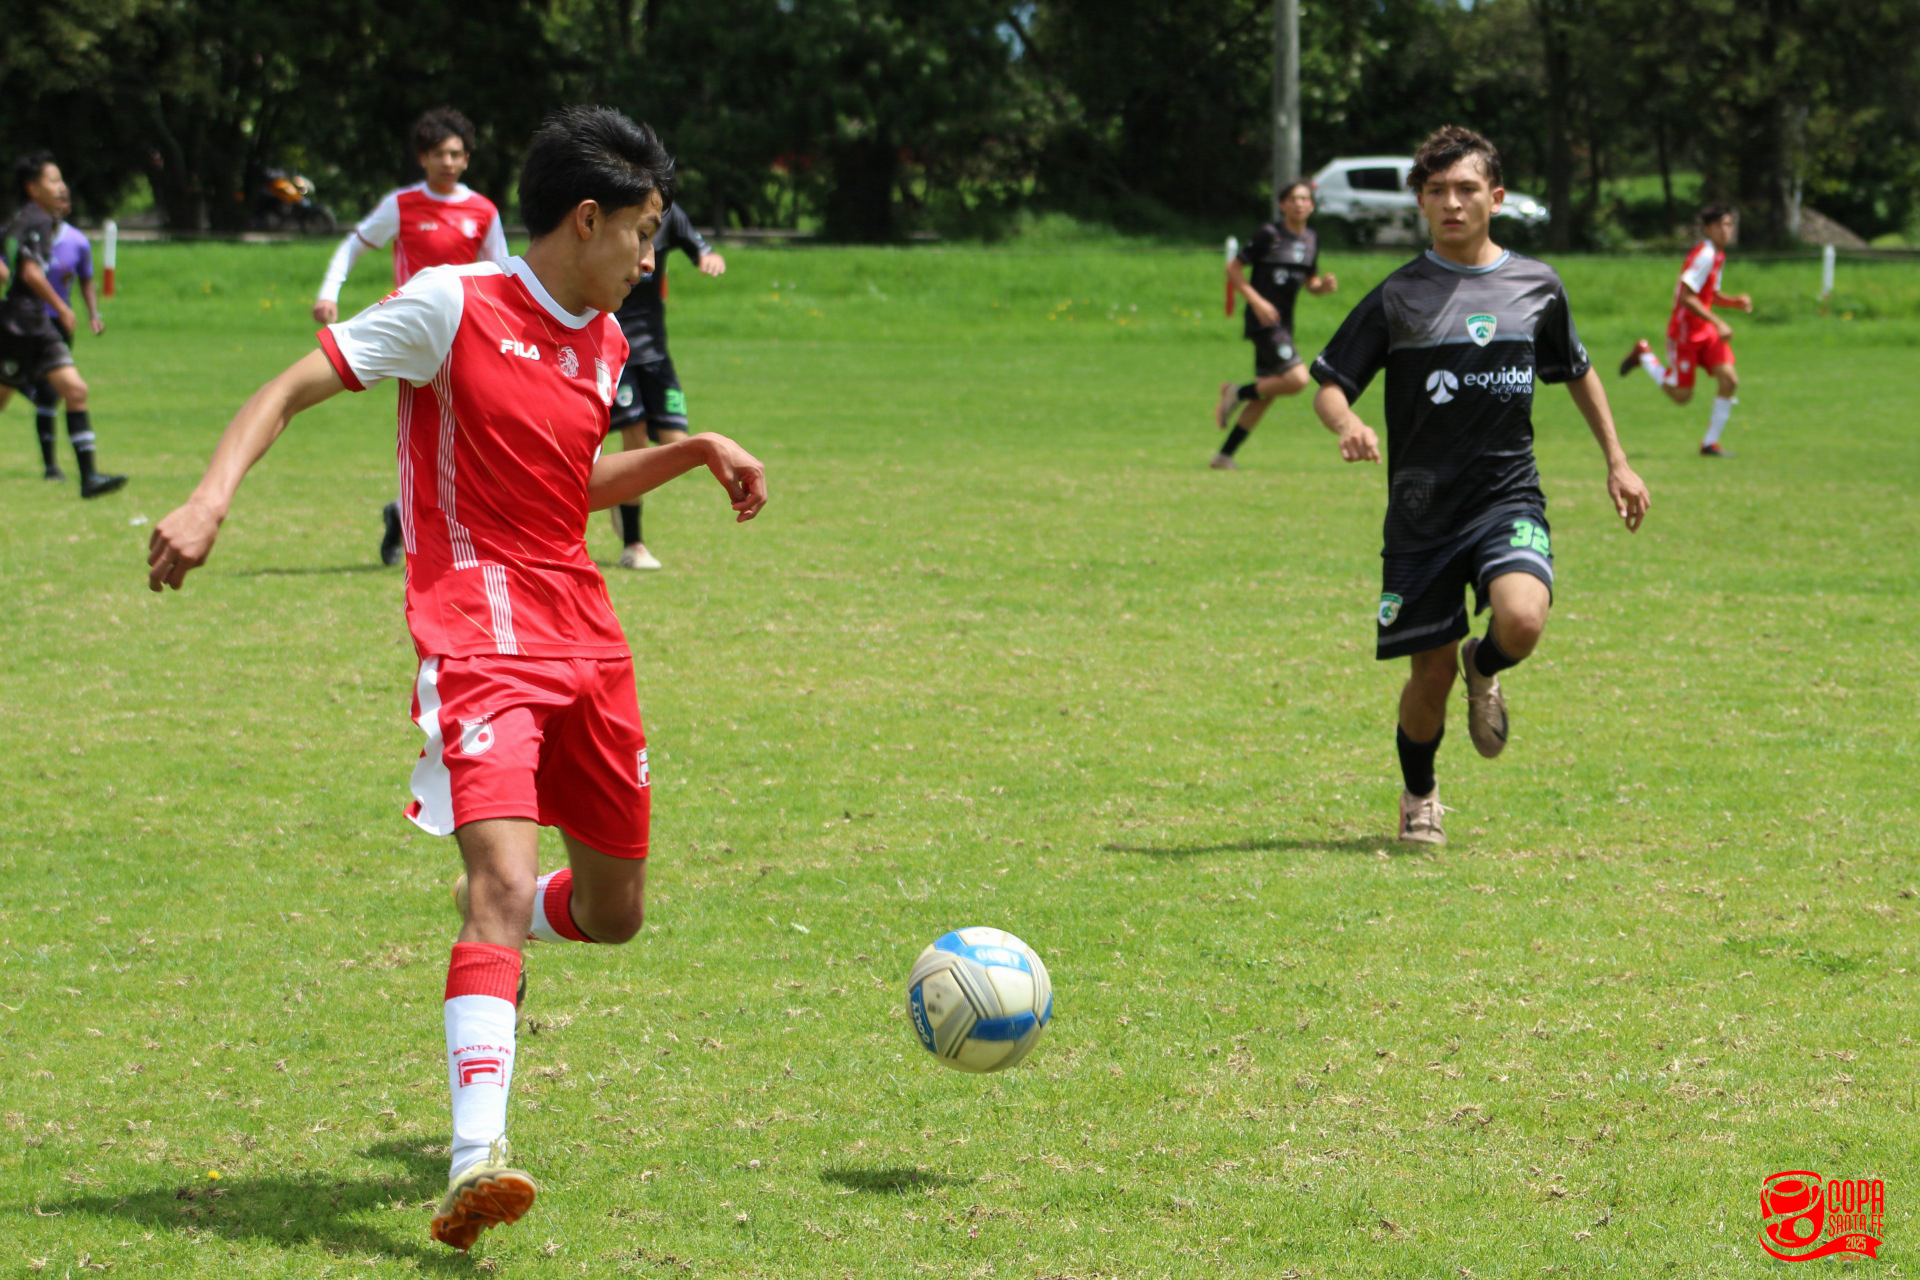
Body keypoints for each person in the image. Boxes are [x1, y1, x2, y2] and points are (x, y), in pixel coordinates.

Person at [147, 106, 769, 1252]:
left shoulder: (605, 340)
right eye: (644, 235)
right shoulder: (452, 304)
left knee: (615, 913)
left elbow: (565, 481)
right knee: (497, 876)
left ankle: (505, 917)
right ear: (587, 218)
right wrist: (208, 499)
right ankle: (476, 1152)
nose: (650, 259)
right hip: (475, 632)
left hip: (586, 634)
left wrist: (688, 450)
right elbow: (288, 387)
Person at [1308, 124, 1650, 846]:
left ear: (1496, 198)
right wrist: (1348, 423)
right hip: (1421, 512)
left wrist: (1617, 460)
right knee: (1428, 679)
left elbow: (1577, 370)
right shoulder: (1399, 295)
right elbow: (1330, 384)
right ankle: (1420, 795)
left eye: (1466, 189)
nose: (1451, 203)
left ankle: (1484, 663)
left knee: (1521, 619)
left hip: (1507, 496)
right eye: (1436, 191)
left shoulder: (1538, 285)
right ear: (1420, 203)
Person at [311, 107, 510, 563]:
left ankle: (405, 515)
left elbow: (499, 272)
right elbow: (352, 246)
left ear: (467, 158)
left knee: (468, 430)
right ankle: (429, 527)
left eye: (456, 154)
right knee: (430, 431)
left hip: (468, 333)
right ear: (423, 158)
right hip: (414, 334)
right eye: (439, 154)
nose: (449, 162)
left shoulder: (483, 210)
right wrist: (328, 292)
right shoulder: (401, 205)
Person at [605, 200, 725, 569]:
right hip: (616, 343)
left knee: (676, 445)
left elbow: (699, 247)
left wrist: (708, 257)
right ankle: (633, 544)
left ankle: (613, 490)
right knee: (636, 437)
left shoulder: (670, 216)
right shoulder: (612, 209)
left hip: (655, 350)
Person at [2, 151, 125, 496]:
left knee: (72, 391)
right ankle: (87, 476)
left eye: (61, 180)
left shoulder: (18, 220)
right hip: (26, 321)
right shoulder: (38, 221)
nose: (61, 187)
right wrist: (62, 307)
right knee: (68, 391)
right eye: (53, 181)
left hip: (21, 320)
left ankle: (89, 478)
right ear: (32, 188)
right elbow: (29, 272)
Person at [1213, 180, 1337, 469]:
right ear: (1282, 205)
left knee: (1266, 394)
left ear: (1312, 205)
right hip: (1264, 322)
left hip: (1284, 323)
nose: (1299, 204)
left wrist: (1322, 287)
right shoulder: (1269, 235)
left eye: (1304, 199)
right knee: (1297, 380)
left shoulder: (1312, 239)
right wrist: (1257, 302)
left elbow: (1310, 280)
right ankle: (1236, 392)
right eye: (1293, 199)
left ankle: (1224, 456)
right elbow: (1233, 269)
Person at [1617, 204, 1751, 457]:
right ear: (1707, 229)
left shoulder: (1718, 255)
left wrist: (1734, 302)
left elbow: (1708, 294)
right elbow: (1687, 297)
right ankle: (1644, 354)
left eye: (1729, 224)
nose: (1726, 230)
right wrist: (1719, 322)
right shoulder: (1705, 255)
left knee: (1729, 380)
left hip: (1706, 330)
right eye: (1720, 225)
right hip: (1686, 331)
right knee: (1681, 396)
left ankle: (1710, 444)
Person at [28, 188, 104, 481]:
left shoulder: (77, 242)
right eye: (55, 200)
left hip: (58, 325)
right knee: (41, 390)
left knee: (51, 393)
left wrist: (93, 314)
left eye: (64, 201)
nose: (59, 206)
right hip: (23, 324)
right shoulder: (24, 235)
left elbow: (86, 280)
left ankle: (52, 467)